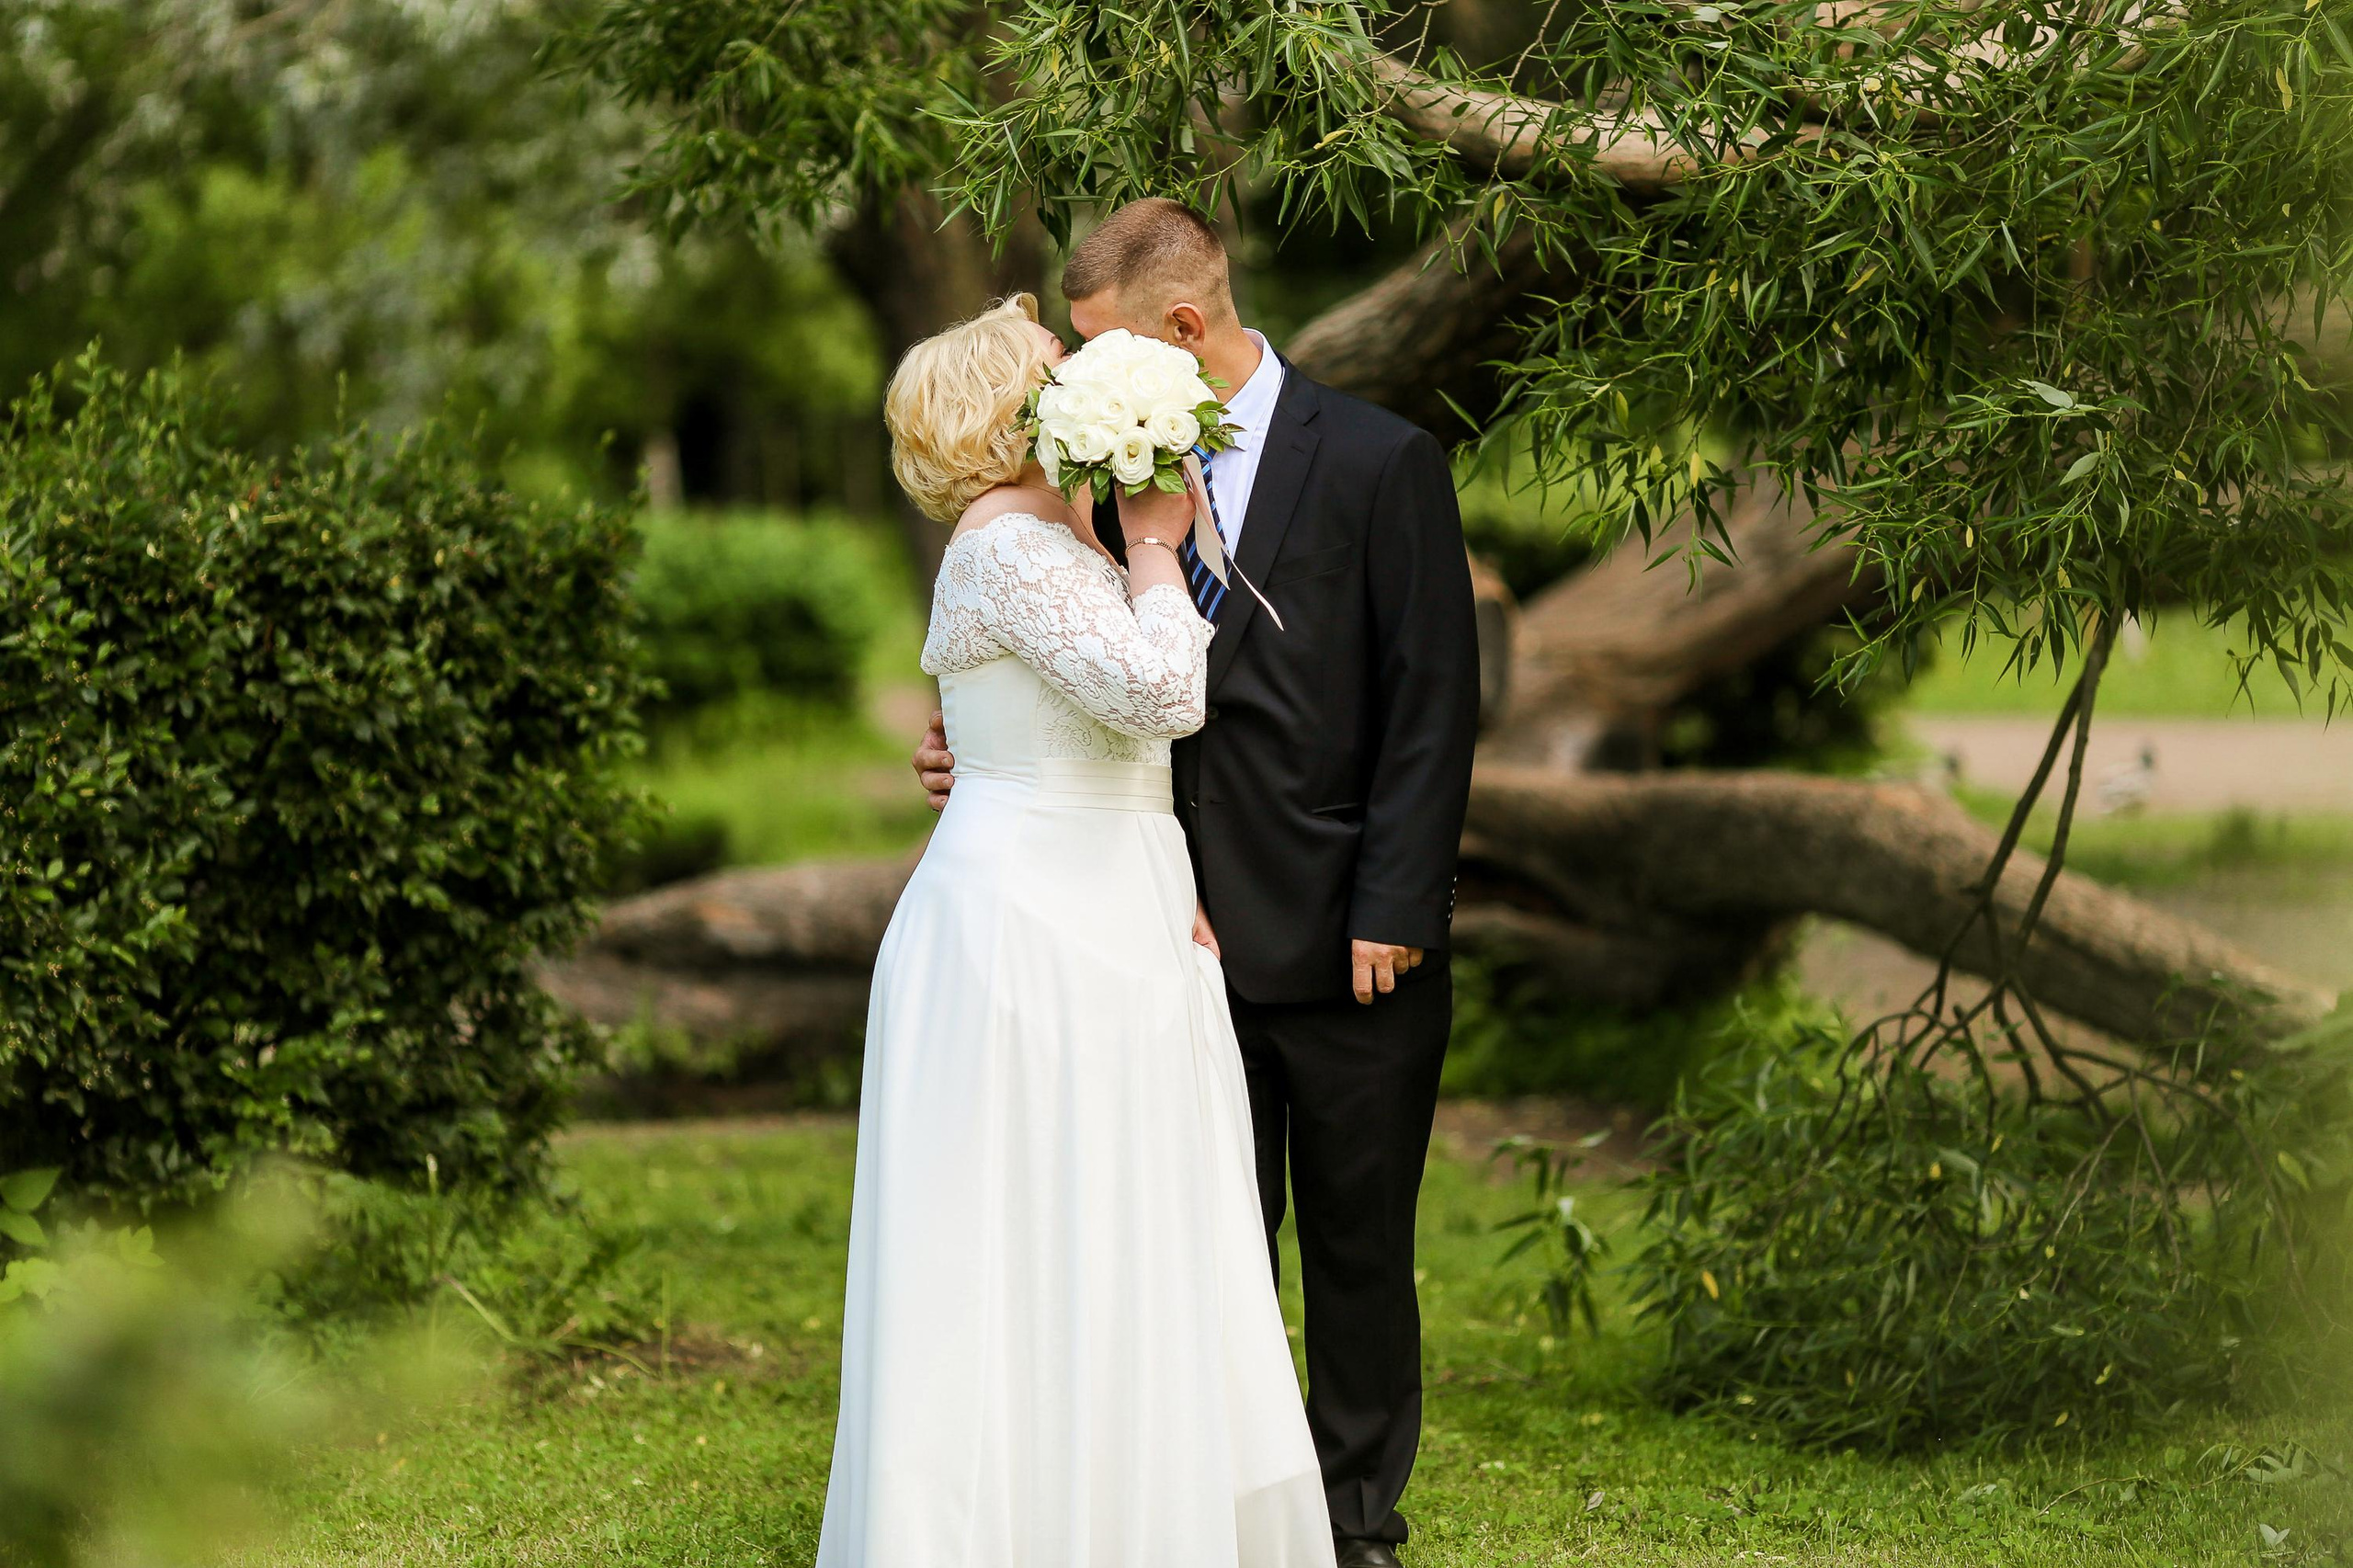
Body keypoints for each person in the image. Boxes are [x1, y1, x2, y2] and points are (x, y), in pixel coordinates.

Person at [914, 200, 1482, 1567]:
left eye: (1097, 350)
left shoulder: (1379, 460)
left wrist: (1394, 906)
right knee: (1196, 1247)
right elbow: (1066, 654)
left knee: (1356, 1244)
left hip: (1349, 930)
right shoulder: (1095, 491)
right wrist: (971, 737)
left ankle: (1355, 1518)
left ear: (1179, 330)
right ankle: (1203, 1503)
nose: (1075, 384)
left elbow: (1433, 700)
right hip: (1162, 937)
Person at [819, 293, 1338, 1567]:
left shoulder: (1052, 541)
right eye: (1057, 370)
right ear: (1013, 411)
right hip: (1035, 927)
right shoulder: (1008, 544)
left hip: (1118, 900)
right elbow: (1164, 689)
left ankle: (1126, 1510)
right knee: (1036, 1233)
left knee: (1124, 1220)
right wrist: (1159, 546)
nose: (1081, 385)